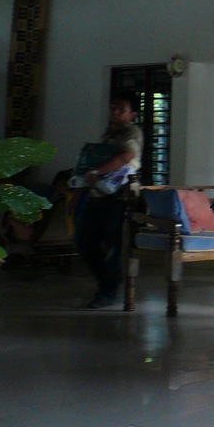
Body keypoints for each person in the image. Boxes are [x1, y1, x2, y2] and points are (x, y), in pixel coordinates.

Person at [75, 92, 142, 308]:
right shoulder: (110, 133)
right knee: (84, 242)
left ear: (132, 114)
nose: (114, 112)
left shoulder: (132, 133)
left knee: (113, 248)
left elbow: (125, 157)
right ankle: (107, 283)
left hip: (118, 200)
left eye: (120, 109)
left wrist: (96, 171)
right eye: (112, 108)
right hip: (97, 196)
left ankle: (108, 291)